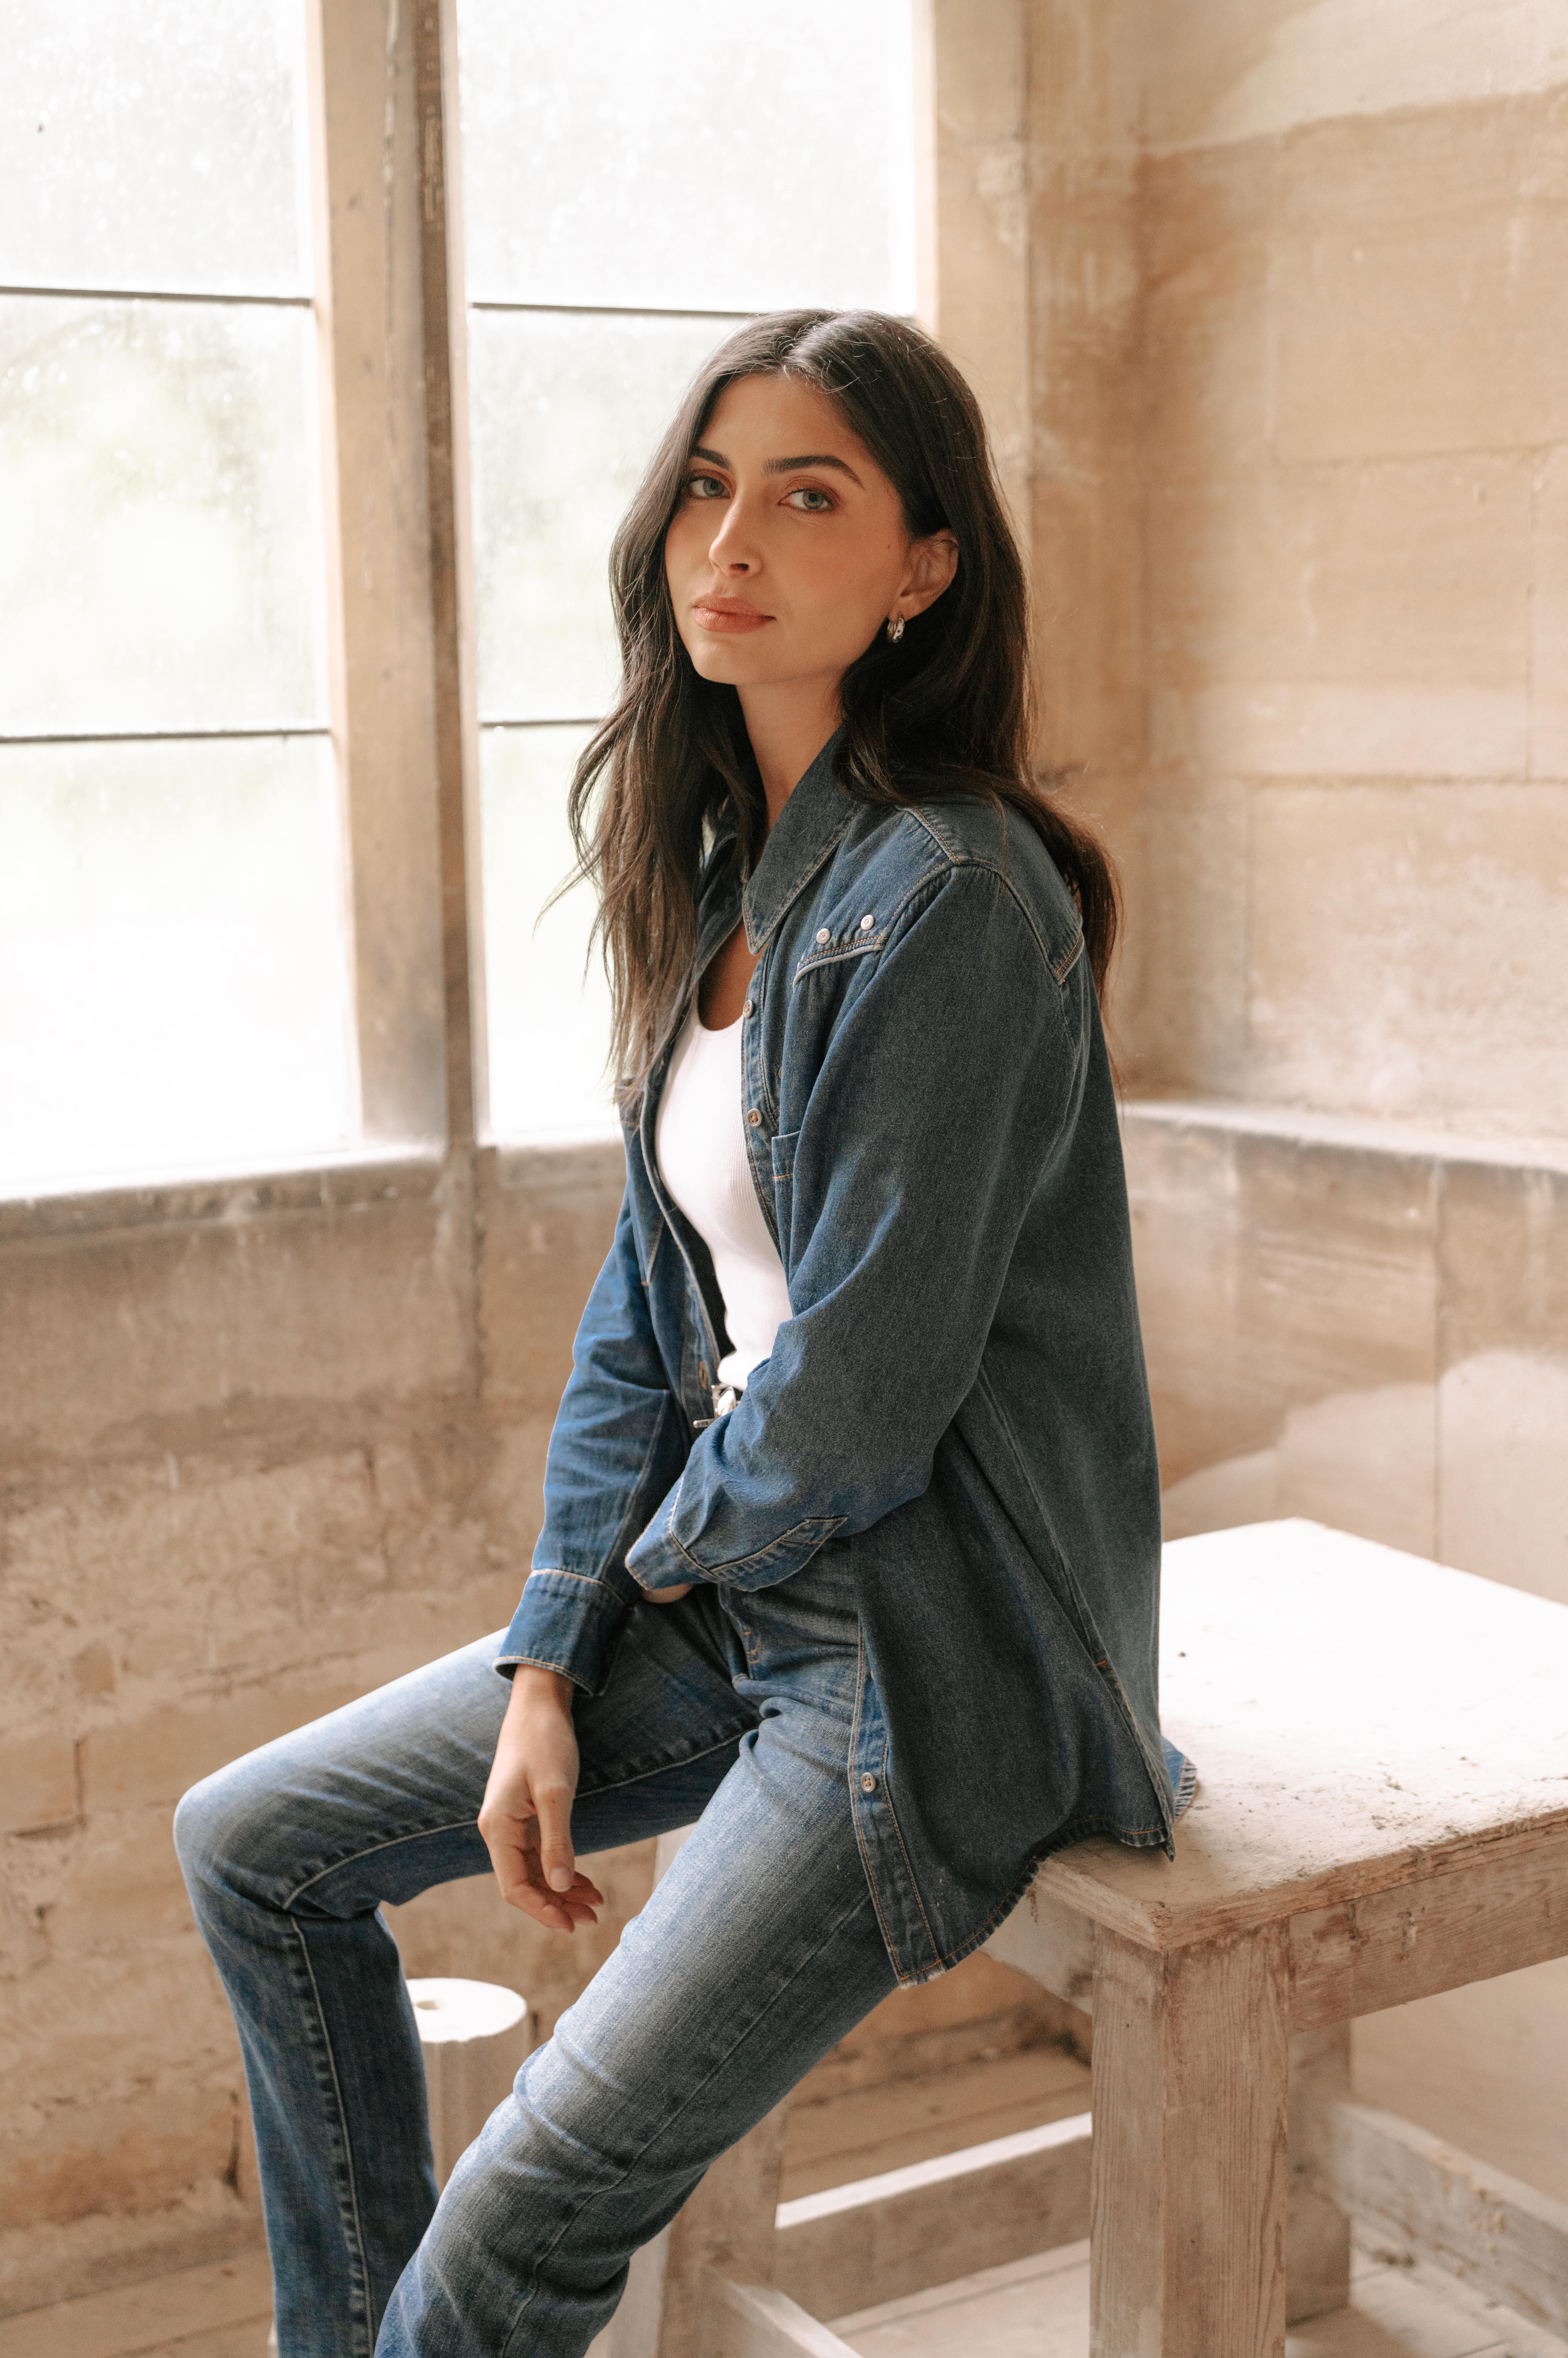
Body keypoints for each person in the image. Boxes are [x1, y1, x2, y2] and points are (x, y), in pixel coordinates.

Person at [175, 307, 1193, 2358]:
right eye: (708, 487)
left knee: (516, 2235)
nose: (730, 537)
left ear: (924, 570)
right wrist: (553, 1654)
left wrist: (636, 1589)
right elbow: (651, 1316)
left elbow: (863, 1399)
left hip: (912, 1658)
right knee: (255, 1847)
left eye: (808, 494)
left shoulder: (957, 901)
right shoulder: (729, 883)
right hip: (742, 1593)